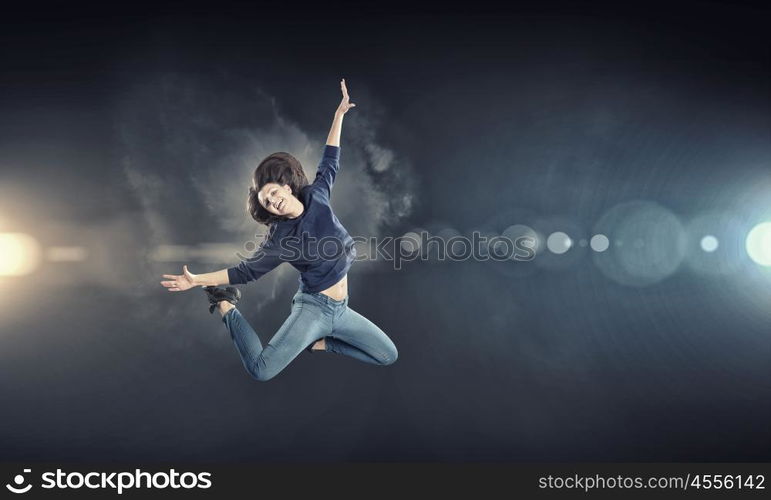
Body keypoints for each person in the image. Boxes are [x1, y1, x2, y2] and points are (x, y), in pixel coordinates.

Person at [160, 79, 398, 381]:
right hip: (314, 309)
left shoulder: (317, 195)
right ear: (270, 211)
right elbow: (244, 272)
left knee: (387, 354)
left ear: (286, 186)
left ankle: (321, 344)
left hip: (342, 310)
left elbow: (330, 159)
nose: (273, 201)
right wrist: (196, 281)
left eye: (273, 193)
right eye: (267, 203)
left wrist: (339, 115)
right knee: (262, 370)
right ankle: (223, 303)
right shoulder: (281, 239)